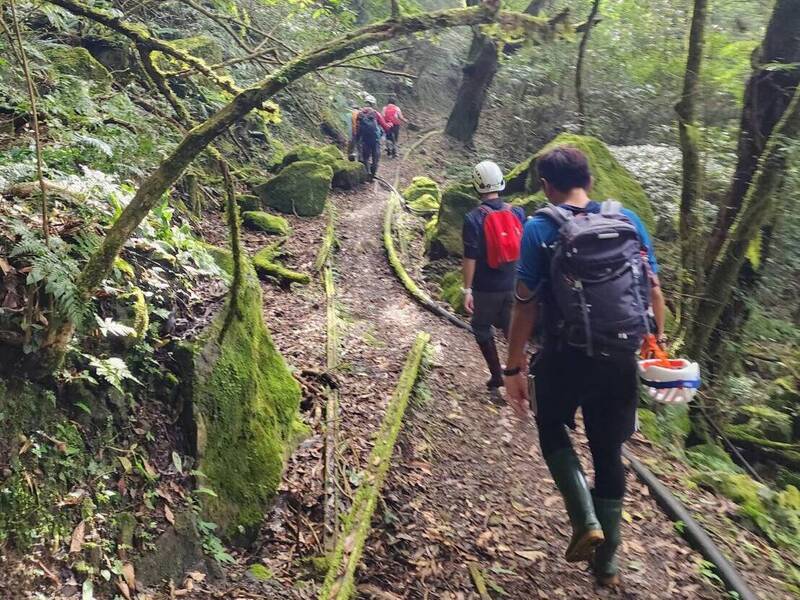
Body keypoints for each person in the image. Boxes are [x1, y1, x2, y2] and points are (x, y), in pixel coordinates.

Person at [502, 146, 666, 587]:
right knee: (609, 451)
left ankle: (584, 518)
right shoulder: (627, 220)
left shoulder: (539, 227)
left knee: (551, 424)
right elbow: (653, 290)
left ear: (545, 186)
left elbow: (525, 305)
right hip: (619, 357)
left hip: (564, 354)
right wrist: (656, 343)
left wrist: (513, 369)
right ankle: (607, 566)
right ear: (590, 180)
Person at [462, 160, 525, 400]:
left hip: (486, 288)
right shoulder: (517, 211)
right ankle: (521, 378)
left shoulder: (473, 218)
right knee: (514, 331)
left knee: (481, 327)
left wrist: (466, 290)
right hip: (515, 283)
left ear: (476, 185)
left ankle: (497, 377)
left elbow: (470, 258)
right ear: (501, 181)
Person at [354, 98, 389, 178]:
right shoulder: (375, 113)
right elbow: (385, 126)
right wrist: (387, 128)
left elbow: (357, 127)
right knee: (375, 157)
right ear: (373, 104)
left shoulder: (360, 114)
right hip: (375, 139)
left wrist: (357, 138)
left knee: (365, 157)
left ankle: (367, 172)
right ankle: (373, 174)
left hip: (365, 139)